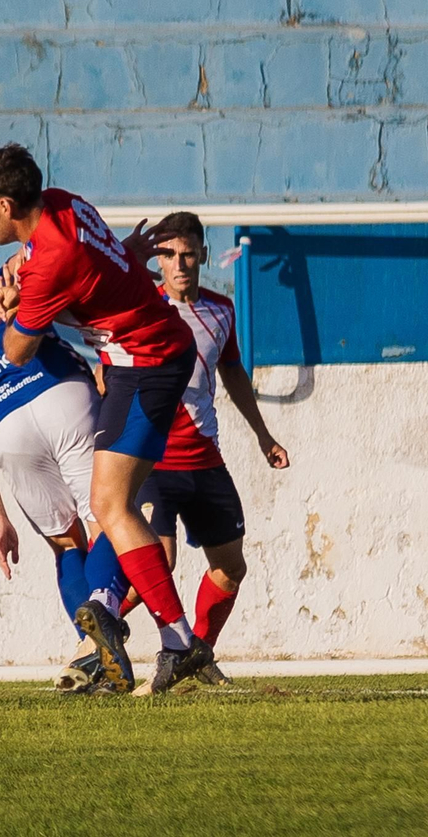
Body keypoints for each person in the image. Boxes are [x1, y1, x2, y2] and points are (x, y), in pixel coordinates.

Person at [0, 142, 208, 695]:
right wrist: (16, 290)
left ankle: (174, 639)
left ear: (6, 204)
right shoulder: (63, 204)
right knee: (109, 505)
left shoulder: (52, 257)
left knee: (111, 506)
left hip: (151, 362)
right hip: (131, 362)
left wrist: (10, 309)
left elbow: (18, 349)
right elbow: (81, 272)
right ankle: (132, 619)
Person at [0, 261, 131, 692]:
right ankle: (102, 615)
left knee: (65, 544)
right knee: (111, 518)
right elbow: (57, 274)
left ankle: (94, 654)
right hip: (59, 389)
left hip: (3, 424)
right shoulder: (1, 284)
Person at [132, 212, 291, 686]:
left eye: (188, 255)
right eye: (169, 256)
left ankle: (196, 655)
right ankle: (96, 645)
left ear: (203, 254)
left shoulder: (222, 310)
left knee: (230, 566)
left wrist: (264, 435)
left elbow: (233, 373)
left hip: (205, 461)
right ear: (157, 261)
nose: (180, 264)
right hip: (151, 461)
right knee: (157, 562)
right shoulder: (142, 309)